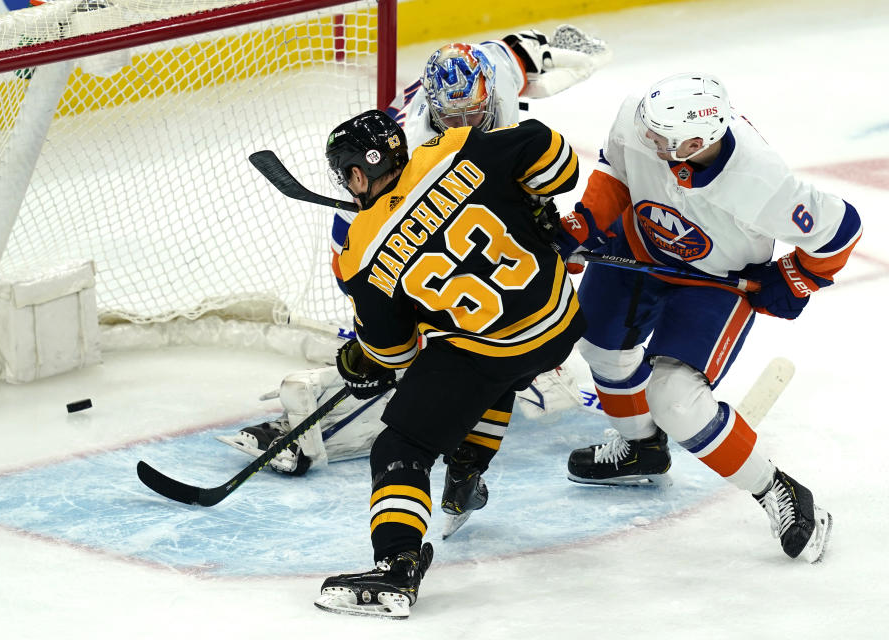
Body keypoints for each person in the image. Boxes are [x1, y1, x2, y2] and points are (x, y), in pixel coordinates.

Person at [220, 25, 608, 510]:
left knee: (485, 352)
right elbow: (354, 261)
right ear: (434, 112)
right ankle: (367, 422)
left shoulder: (488, 67)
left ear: (491, 91)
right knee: (438, 345)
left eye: (475, 113)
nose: (468, 121)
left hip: (481, 245)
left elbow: (519, 52)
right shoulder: (412, 145)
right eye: (455, 117)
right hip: (419, 256)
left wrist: (535, 218)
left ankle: (454, 438)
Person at [555, 72, 859, 563]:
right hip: (638, 245)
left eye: (660, 138)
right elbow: (617, 173)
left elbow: (841, 230)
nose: (645, 138)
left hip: (715, 279)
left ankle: (778, 489)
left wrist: (798, 276)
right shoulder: (640, 117)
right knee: (600, 346)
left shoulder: (762, 181)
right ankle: (640, 450)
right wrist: (585, 222)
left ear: (697, 141)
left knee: (674, 399)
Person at [313, 109, 588, 618]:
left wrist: (364, 358)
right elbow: (558, 159)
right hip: (560, 321)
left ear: (356, 174)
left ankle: (396, 565)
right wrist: (534, 200)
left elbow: (395, 354)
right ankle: (467, 463)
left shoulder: (361, 252)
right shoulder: (459, 146)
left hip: (492, 348)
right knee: (485, 363)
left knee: (403, 442)